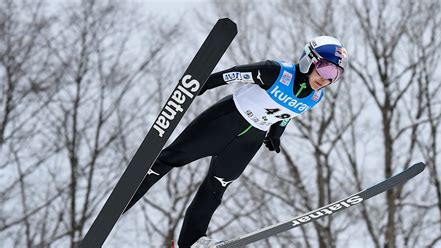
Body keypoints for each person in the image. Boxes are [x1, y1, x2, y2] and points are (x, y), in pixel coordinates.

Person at [122, 36, 348, 247]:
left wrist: (275, 134)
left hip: (249, 141)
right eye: (326, 68)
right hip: (224, 121)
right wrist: (203, 84)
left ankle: (190, 242)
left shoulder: (315, 97)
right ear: (309, 60)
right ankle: (121, 202)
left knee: (215, 188)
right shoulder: (276, 72)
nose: (327, 78)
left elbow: (286, 114)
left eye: (335, 75)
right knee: (170, 159)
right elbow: (235, 74)